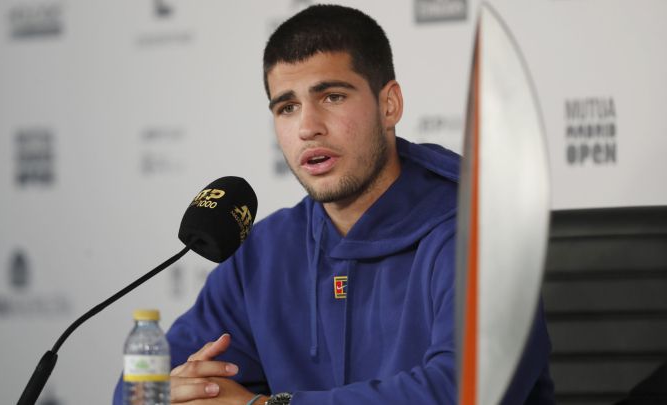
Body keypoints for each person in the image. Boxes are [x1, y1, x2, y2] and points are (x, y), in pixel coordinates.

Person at [114, 4, 553, 405]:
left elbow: (466, 393)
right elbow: (139, 387)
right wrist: (167, 394)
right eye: (287, 107)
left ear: (389, 104)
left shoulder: (475, 232)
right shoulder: (264, 251)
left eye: (332, 97)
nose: (308, 127)